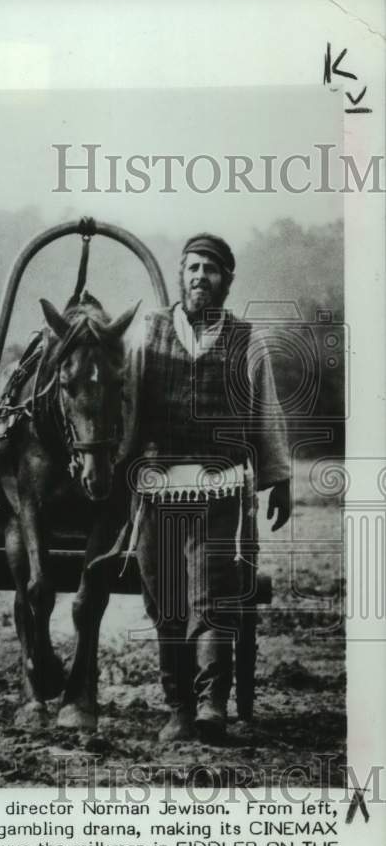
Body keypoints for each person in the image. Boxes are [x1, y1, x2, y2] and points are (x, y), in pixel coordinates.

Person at [125, 233, 291, 743]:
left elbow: (266, 415)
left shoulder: (247, 342)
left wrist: (278, 479)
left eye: (211, 270)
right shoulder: (145, 336)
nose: (200, 277)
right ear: (181, 274)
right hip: (157, 492)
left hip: (219, 491)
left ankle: (211, 707)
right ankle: (177, 709)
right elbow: (128, 416)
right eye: (193, 267)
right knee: (167, 603)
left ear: (226, 281)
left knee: (213, 597)